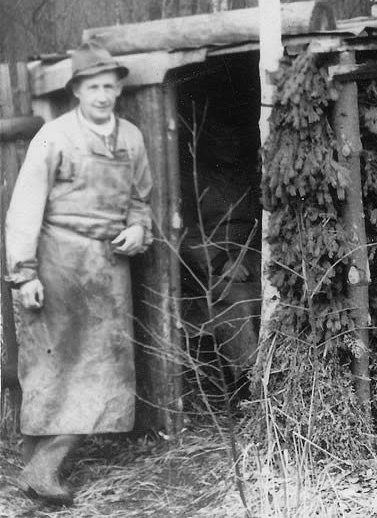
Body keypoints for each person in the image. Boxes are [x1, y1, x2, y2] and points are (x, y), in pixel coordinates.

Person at [5, 41, 153, 505]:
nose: (103, 95)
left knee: (105, 370)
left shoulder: (130, 136)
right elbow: (24, 208)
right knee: (52, 365)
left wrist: (138, 228)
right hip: (55, 263)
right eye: (94, 86)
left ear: (119, 89)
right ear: (77, 90)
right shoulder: (53, 136)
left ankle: (39, 472)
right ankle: (41, 472)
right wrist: (24, 272)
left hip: (108, 269)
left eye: (110, 86)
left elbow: (139, 198)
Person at [179, 120, 261, 396]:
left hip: (251, 251)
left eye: (233, 138)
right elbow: (185, 234)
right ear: (207, 143)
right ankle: (249, 380)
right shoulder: (192, 180)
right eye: (220, 138)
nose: (229, 144)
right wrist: (220, 262)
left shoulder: (249, 175)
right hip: (211, 259)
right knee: (241, 301)